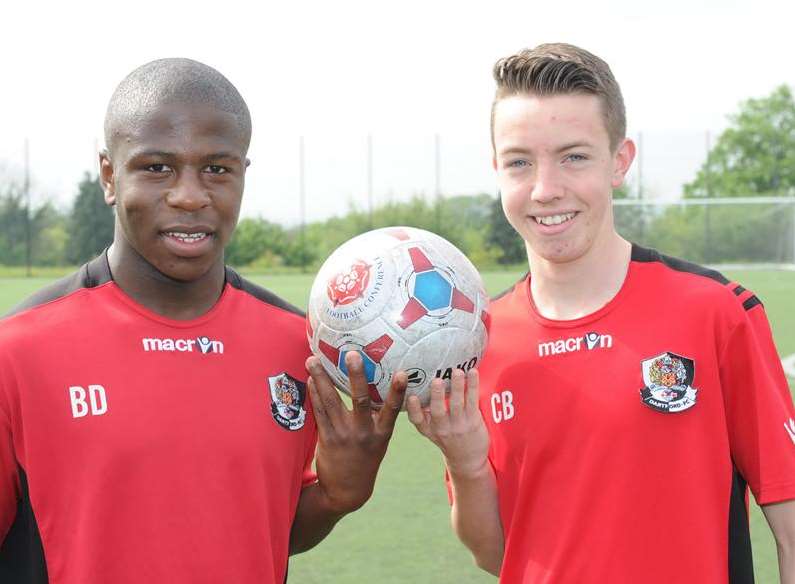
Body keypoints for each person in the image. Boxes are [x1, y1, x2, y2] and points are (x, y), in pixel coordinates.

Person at [0, 58, 406, 583]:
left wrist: (333, 497)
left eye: (217, 168)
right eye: (156, 167)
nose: (190, 195)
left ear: (242, 174)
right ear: (109, 175)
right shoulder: (19, 351)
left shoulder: (297, 346)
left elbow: (262, 530)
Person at [407, 43, 795, 583]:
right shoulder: (476, 345)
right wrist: (466, 462)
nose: (545, 189)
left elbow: (790, 517)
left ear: (620, 161)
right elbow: (497, 554)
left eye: (574, 156)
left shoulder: (714, 311)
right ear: (496, 168)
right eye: (520, 162)